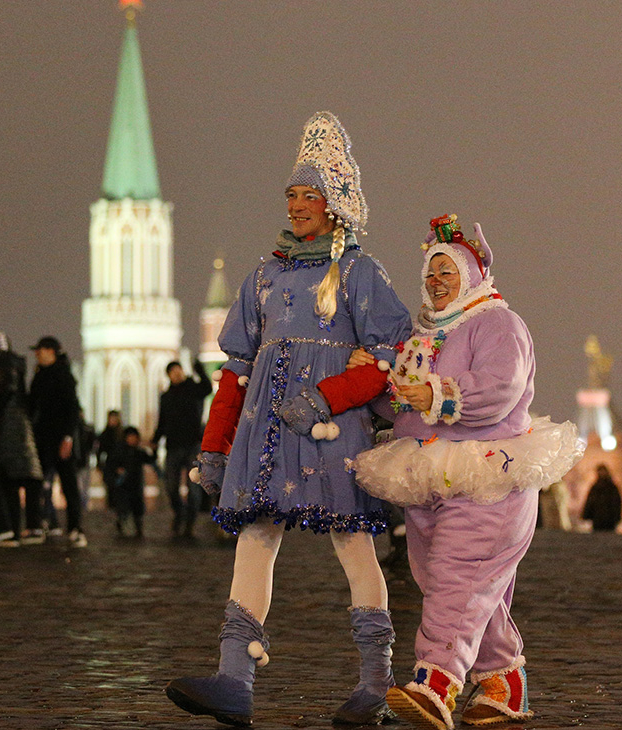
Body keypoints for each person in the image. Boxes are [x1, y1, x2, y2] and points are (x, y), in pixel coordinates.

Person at [166, 112, 412, 727]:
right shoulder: (265, 275)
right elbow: (237, 370)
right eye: (293, 195)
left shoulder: (359, 272)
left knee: (355, 543)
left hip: (333, 435)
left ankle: (375, 686)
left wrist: (329, 397)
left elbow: (391, 357)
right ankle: (234, 680)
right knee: (255, 540)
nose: (299, 206)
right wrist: (214, 447)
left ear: (336, 205)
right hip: (267, 435)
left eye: (311, 196)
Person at [351, 214, 582, 728]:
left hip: (486, 477)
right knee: (452, 581)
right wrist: (378, 382)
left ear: (471, 276)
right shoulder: (427, 333)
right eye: (430, 273)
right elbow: (406, 406)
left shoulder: (499, 323)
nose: (435, 283)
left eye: (446, 273)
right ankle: (503, 681)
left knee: (458, 576)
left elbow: (499, 389)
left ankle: (437, 681)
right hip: (432, 476)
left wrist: (438, 393)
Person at [0, 332, 43, 546]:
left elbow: (7, 389)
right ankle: (26, 527)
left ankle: (9, 528)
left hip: (4, 428)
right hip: (21, 428)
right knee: (23, 479)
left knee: (2, 479)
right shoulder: (18, 365)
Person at [28, 336, 86, 547]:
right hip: (42, 439)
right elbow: (32, 404)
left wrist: (68, 438)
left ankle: (75, 527)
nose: (36, 354)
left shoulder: (64, 376)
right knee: (36, 483)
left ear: (51, 351)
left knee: (69, 485)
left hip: (61, 440)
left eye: (40, 350)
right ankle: (37, 525)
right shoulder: (39, 375)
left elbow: (72, 410)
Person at [150, 359, 212, 537]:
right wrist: (155, 441)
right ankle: (179, 514)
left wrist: (200, 371)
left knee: (193, 488)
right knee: (170, 486)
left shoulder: (193, 388)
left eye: (179, 370)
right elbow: (162, 422)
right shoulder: (166, 397)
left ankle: (190, 521)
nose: (177, 374)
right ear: (169, 375)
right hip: (173, 446)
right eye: (173, 371)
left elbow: (207, 388)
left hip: (193, 445)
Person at [106, 426, 154, 538]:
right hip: (123, 486)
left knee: (137, 508)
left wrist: (153, 448)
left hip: (136, 485)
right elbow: (111, 464)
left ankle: (138, 528)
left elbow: (150, 459)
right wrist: (116, 471)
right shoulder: (119, 451)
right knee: (123, 507)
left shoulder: (139, 452)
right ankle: (123, 526)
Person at [582, 464, 622, 532]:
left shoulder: (611, 487)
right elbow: (590, 501)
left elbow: (616, 503)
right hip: (598, 518)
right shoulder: (596, 487)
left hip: (609, 518)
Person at [96, 410, 123, 513]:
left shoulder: (121, 434)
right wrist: (100, 464)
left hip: (119, 464)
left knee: (119, 488)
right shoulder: (105, 433)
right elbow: (100, 450)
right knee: (110, 488)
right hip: (109, 464)